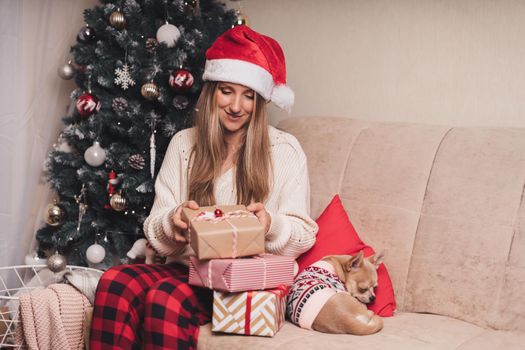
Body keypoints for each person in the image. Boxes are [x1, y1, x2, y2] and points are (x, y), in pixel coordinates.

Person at [89, 25, 318, 350]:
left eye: (248, 95)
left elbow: (304, 234)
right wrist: (174, 221)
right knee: (113, 282)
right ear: (212, 92)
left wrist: (269, 224)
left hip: (244, 280)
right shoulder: (185, 145)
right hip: (189, 269)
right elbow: (154, 229)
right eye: (227, 91)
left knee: (165, 299)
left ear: (260, 101)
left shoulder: (285, 150)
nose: (236, 106)